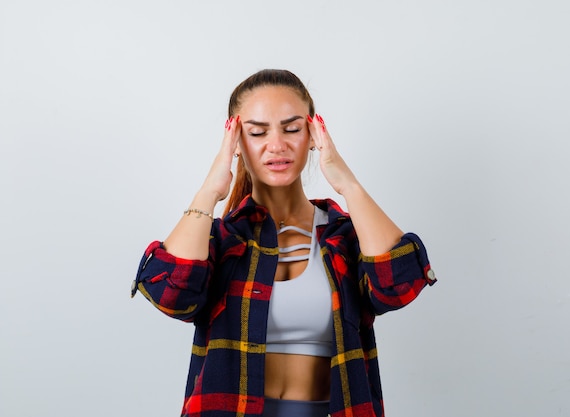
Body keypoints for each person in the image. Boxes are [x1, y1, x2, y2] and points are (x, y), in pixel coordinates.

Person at [132, 69, 437, 417]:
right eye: (257, 132)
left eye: (292, 129)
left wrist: (348, 185)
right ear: (236, 142)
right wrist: (210, 190)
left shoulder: (345, 235)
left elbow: (398, 287)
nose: (277, 145)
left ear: (312, 133)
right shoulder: (219, 238)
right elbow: (172, 298)